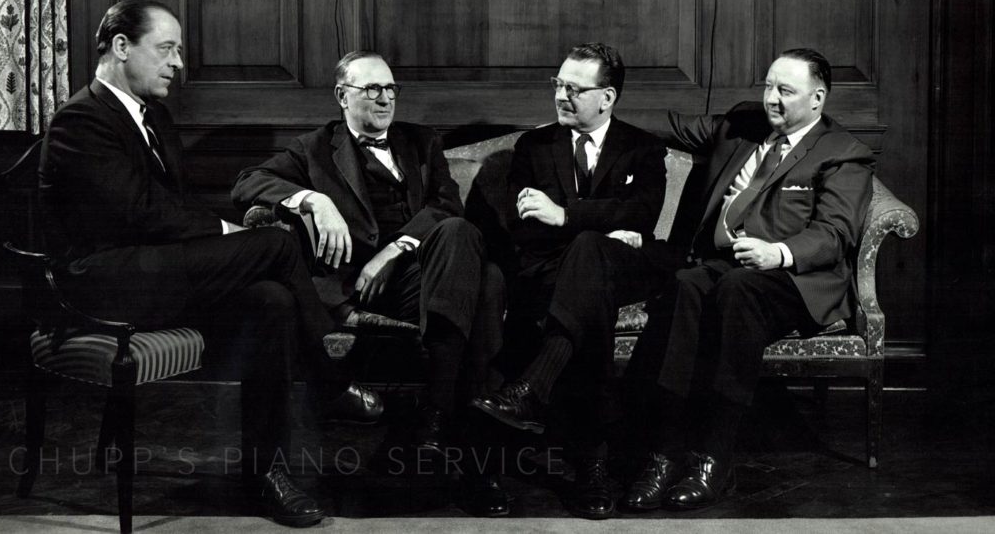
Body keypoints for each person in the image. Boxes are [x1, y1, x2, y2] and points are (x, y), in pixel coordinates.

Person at [39, 0, 382, 528]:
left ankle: (267, 475)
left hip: (152, 269)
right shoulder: (81, 119)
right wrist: (228, 233)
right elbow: (139, 213)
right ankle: (332, 379)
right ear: (122, 47)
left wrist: (223, 236)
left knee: (270, 300)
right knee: (277, 244)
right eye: (167, 49)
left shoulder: (154, 115)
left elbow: (174, 210)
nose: (178, 63)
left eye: (180, 51)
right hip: (100, 281)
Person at [231, 51, 507, 513]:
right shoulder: (314, 148)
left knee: (476, 260)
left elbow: (447, 206)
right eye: (372, 89)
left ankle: (437, 420)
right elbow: (246, 184)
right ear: (342, 95)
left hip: (419, 275)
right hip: (357, 285)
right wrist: (313, 200)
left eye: (391, 89)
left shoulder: (422, 141)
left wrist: (394, 251)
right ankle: (475, 464)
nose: (385, 98)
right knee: (487, 284)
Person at [620, 48, 875, 512]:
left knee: (738, 289)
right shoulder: (741, 123)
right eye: (768, 86)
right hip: (725, 265)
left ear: (817, 98)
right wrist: (594, 114)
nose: (771, 99)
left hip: (793, 280)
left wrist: (777, 252)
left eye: (785, 90)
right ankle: (663, 452)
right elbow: (668, 124)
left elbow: (835, 233)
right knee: (685, 284)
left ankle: (714, 457)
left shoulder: (844, 152)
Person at [469, 43, 675, 520]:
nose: (561, 95)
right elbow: (524, 227)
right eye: (558, 84)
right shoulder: (533, 147)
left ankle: (529, 390)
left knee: (589, 255)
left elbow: (642, 215)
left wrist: (565, 215)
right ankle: (594, 463)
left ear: (606, 97)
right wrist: (600, 226)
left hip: (628, 270)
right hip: (554, 270)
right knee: (588, 281)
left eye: (574, 88)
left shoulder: (643, 148)